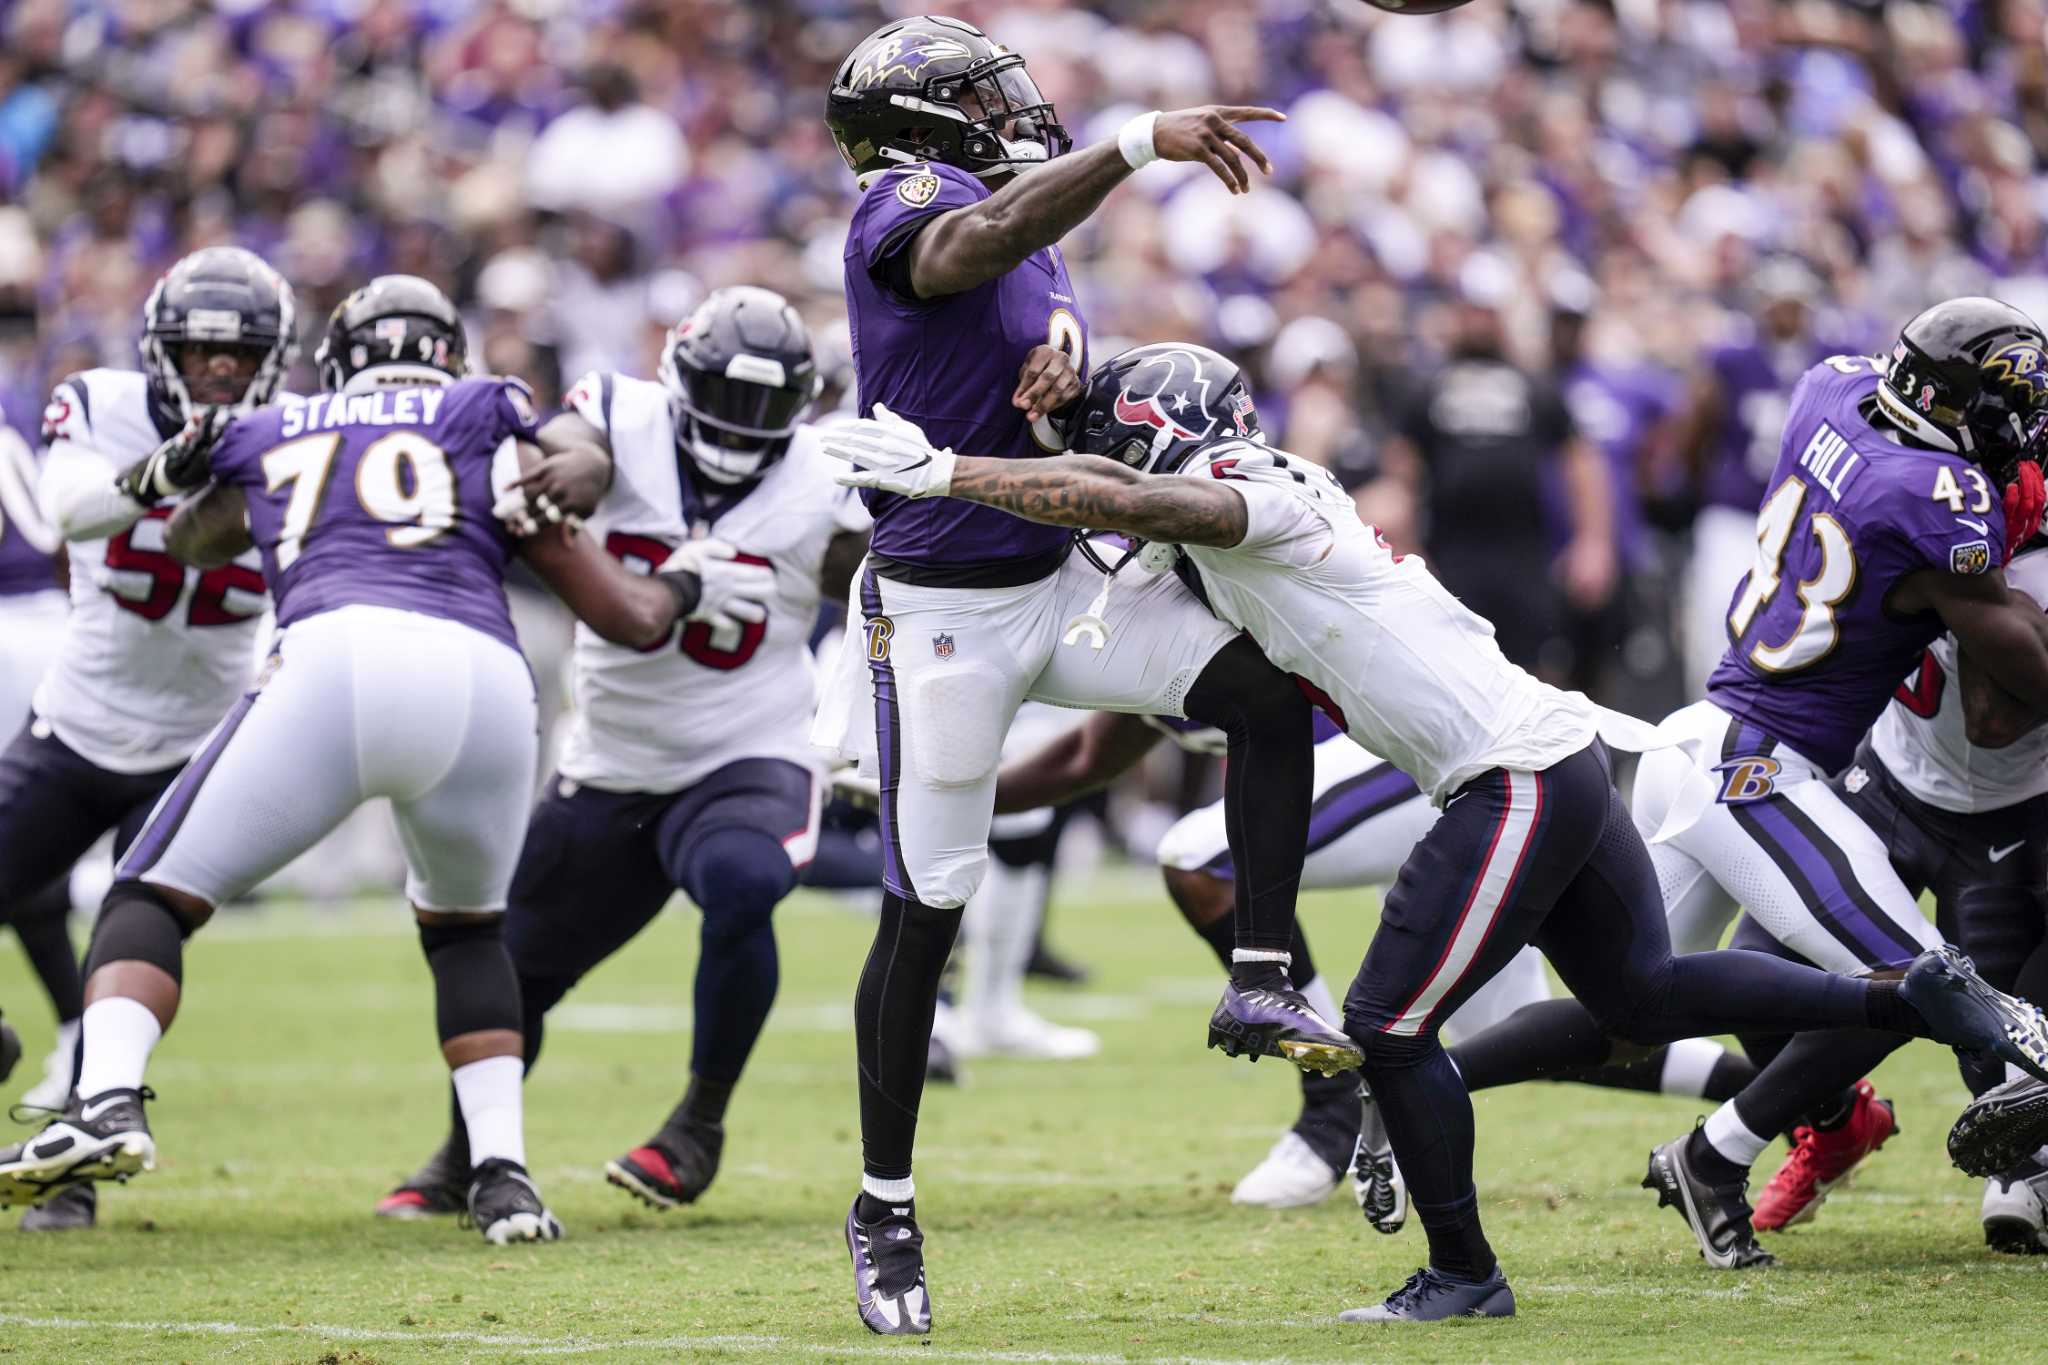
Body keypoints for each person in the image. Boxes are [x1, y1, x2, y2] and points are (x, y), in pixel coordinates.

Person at [823, 337, 2048, 1323]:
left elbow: (1122, 498)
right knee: (1637, 992)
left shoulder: (1261, 499)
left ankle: (1461, 1270)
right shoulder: (1231, 520)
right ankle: (1911, 997)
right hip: (1544, 751)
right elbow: (1098, 535)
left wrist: (945, 473)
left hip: (1506, 771)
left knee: (1386, 1026)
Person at [0, 276, 744, 1244]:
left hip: (336, 660)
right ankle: (505, 1179)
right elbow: (570, 461)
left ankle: (102, 1100)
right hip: (484, 680)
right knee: (471, 932)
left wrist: (187, 478)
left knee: (148, 896)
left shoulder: (279, 423)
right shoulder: (482, 406)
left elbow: (189, 536)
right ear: (450, 357)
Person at [821, 15, 1334, 1336]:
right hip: (941, 607)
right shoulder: (913, 201)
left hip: (1058, 579)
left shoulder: (1025, 222)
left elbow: (1024, 326)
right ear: (930, 122)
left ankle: (1263, 965)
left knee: (1262, 695)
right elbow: (966, 252)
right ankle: (883, 1204)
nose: (1014, 110)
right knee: (928, 902)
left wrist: (1070, 370)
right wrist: (1133, 145)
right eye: (985, 97)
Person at [1418, 298, 2048, 1270]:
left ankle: (1418, 1082)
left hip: (1691, 743)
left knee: (1632, 1005)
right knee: (1939, 984)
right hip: (1757, 773)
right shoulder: (1937, 497)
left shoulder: (1825, 390)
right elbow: (2009, 659)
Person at [372, 285, 872, 1219]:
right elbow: (578, 448)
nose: (740, 424)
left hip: (748, 747)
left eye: (766, 407)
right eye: (725, 397)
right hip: (608, 758)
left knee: (742, 878)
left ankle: (699, 1123)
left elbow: (888, 590)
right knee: (515, 965)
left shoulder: (826, 477)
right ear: (677, 381)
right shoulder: (618, 413)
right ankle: (466, 1151)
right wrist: (575, 468)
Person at [990, 705, 1756, 1211]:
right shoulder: (1130, 596)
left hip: (1426, 751)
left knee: (1197, 854)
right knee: (1526, 1028)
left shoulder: (1196, 555)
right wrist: (940, 794)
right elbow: (1089, 750)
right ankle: (1777, 1091)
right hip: (1436, 763)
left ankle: (1333, 1100)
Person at [0, 246, 291, 1232]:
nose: (217, 368)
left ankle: (74, 1167)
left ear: (275, 357)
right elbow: (63, 509)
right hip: (79, 722)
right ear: (161, 347)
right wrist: (168, 469)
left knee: (127, 938)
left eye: (238, 352)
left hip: (198, 747)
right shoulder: (101, 404)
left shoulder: (294, 435)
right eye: (199, 348)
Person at [0, 405, 87, 1115]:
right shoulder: (13, 412)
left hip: (8, 628)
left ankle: (77, 1032)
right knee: (27, 842)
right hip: (56, 623)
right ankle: (78, 1028)